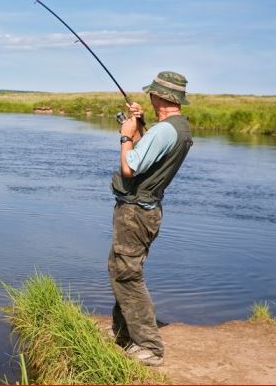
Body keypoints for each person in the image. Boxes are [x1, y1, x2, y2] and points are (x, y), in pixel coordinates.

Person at [108, 71, 193, 367]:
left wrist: (125, 133)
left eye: (152, 93)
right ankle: (123, 334)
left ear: (161, 97)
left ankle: (149, 347)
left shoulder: (165, 131)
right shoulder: (176, 128)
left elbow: (131, 166)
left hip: (136, 213)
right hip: (145, 210)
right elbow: (149, 153)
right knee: (121, 269)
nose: (149, 96)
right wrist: (141, 125)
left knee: (128, 274)